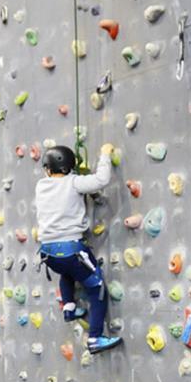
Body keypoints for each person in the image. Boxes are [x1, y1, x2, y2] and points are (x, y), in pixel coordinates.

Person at [35, 143, 122, 354]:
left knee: (67, 272)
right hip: (72, 250)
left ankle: (69, 308)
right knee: (97, 287)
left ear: (48, 169)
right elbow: (101, 180)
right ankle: (95, 338)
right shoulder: (74, 183)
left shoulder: (40, 186)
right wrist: (104, 154)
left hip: (48, 253)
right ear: (69, 167)